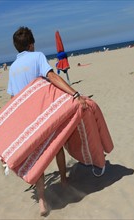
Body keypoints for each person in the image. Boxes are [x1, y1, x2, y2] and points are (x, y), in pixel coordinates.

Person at [7, 26, 87, 216]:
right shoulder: (38, 56)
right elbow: (51, 76)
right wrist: (74, 93)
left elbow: (12, 99)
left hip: (27, 119)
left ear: (17, 47)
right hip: (44, 114)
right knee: (57, 145)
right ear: (31, 44)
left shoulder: (13, 68)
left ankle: (42, 201)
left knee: (37, 158)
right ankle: (64, 180)